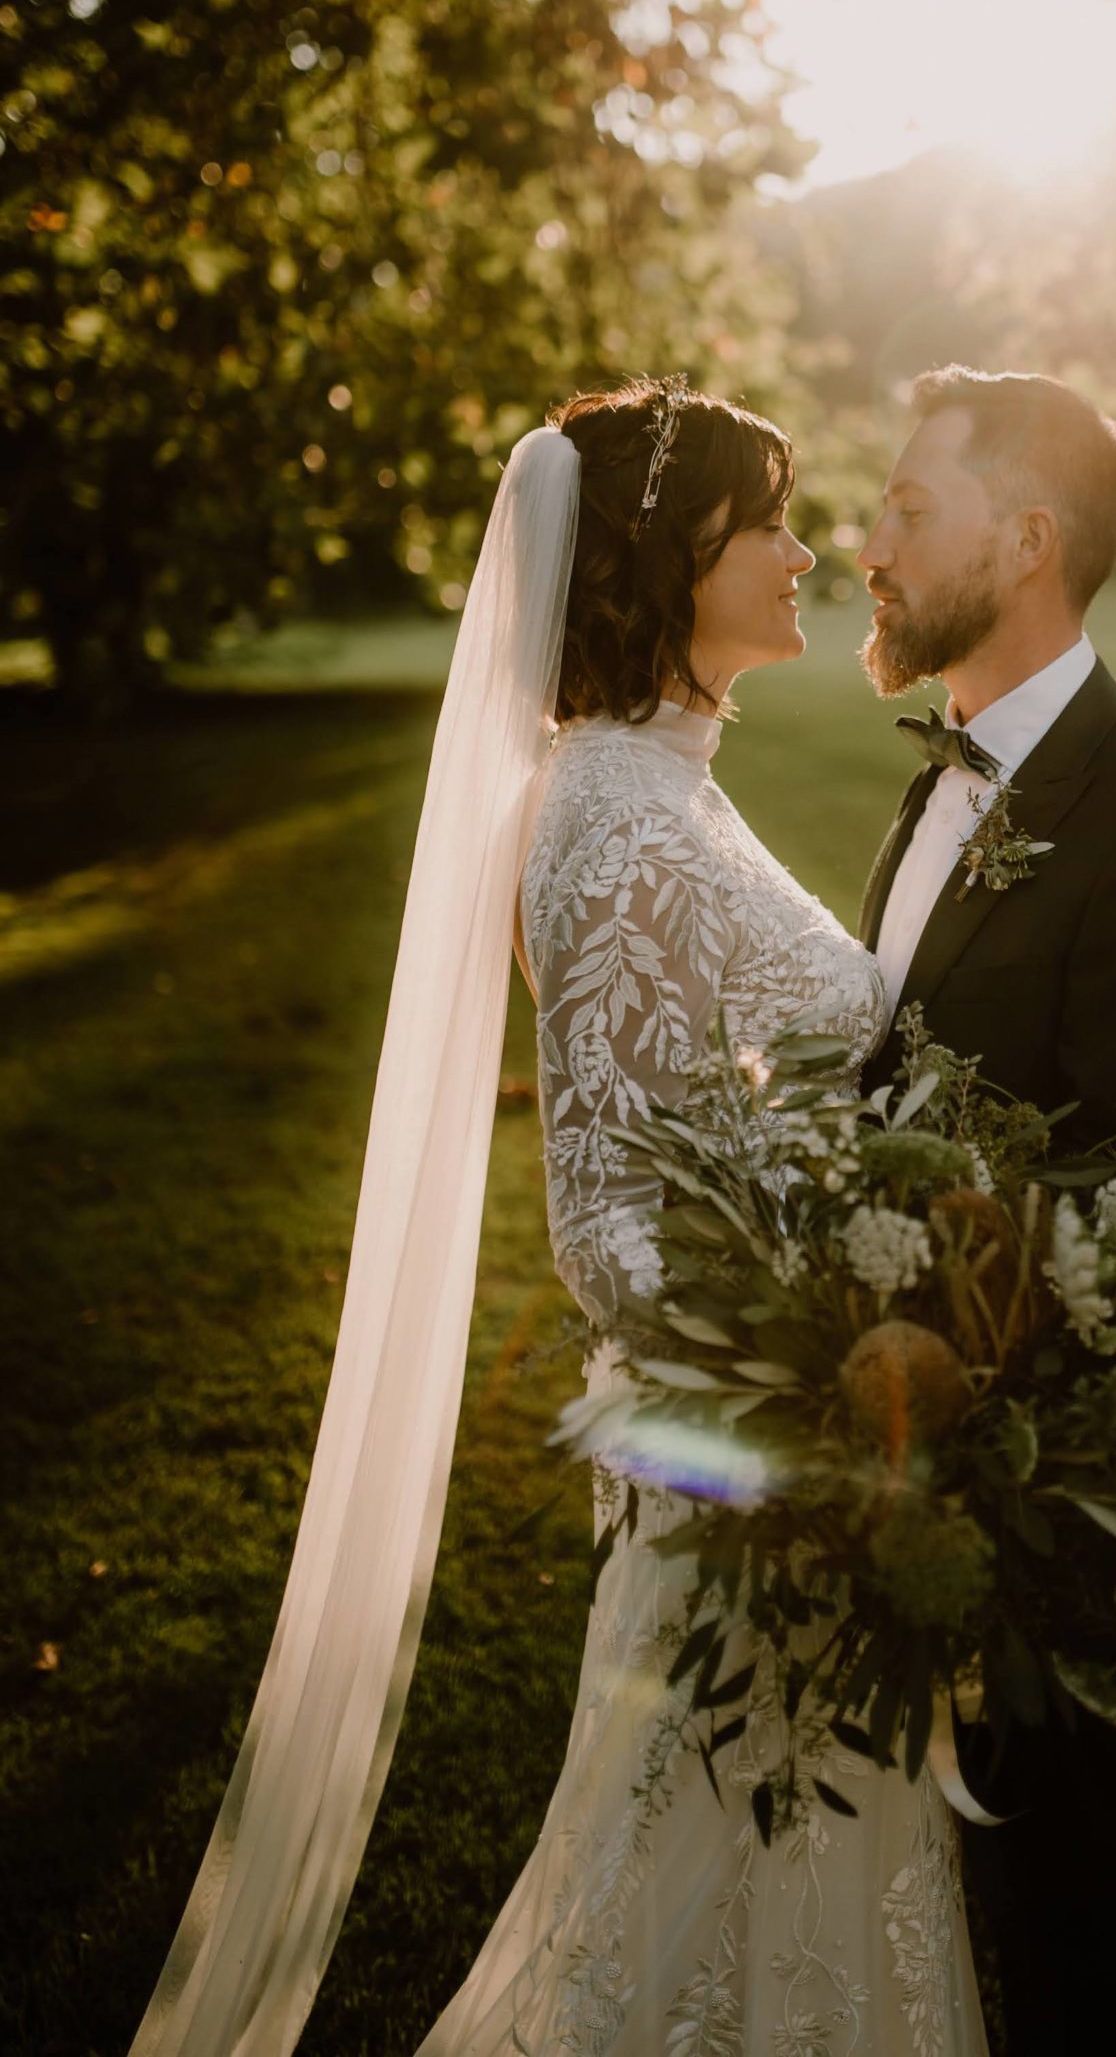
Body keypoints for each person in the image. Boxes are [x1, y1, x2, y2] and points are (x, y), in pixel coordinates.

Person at [130, 378, 987, 2057]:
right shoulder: (604, 817)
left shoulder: (661, 782)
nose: (808, 552)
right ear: (671, 562)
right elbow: (607, 1218)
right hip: (753, 1476)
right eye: (770, 527)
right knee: (686, 1912)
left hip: (790, 1465)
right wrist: (828, 1354)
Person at [856, 364, 1116, 2057]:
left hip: (1073, 1476)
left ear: (1023, 542)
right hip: (936, 1440)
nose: (867, 546)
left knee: (1108, 1887)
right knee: (1002, 1875)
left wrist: (909, 1320)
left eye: (905, 509)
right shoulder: (950, 764)